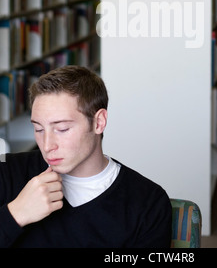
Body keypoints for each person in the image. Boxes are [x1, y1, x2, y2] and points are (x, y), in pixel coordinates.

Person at [0, 65, 172, 248]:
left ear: (99, 122)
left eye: (62, 129)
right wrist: (16, 214)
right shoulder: (7, 170)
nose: (47, 145)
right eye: (39, 129)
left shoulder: (148, 202)